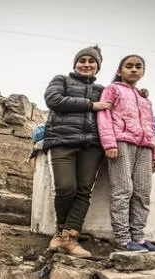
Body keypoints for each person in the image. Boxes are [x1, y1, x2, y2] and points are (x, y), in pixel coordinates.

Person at [43, 45, 111, 258]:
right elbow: (53, 100)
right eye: (82, 60)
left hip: (92, 145)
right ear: (75, 63)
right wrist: (92, 105)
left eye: (92, 62)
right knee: (65, 188)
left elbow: (117, 104)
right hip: (62, 140)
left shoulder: (103, 89)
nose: (87, 65)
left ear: (97, 67)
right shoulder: (61, 80)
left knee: (83, 190)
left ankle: (68, 238)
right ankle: (60, 228)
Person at [96, 55, 155, 252]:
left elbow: (150, 126)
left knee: (142, 192)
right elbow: (104, 114)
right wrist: (109, 143)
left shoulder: (144, 98)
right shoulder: (113, 89)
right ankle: (123, 239)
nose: (133, 70)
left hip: (145, 147)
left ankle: (139, 238)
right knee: (123, 190)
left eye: (138, 67)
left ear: (142, 71)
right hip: (121, 142)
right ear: (120, 71)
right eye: (129, 66)